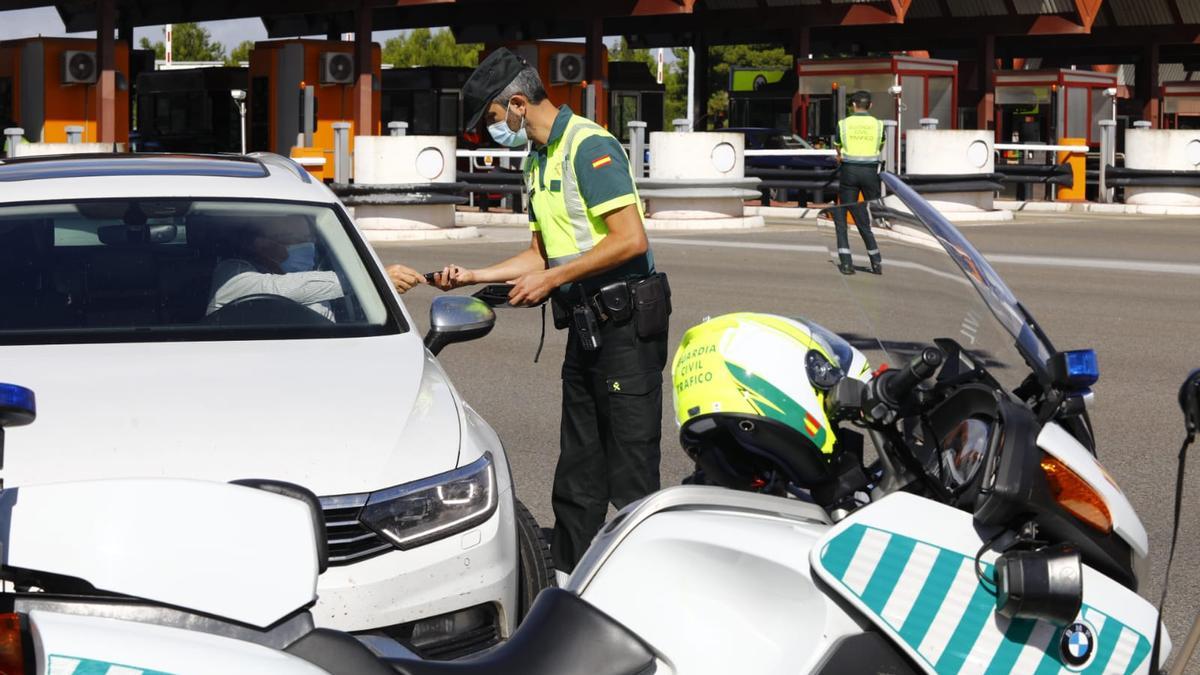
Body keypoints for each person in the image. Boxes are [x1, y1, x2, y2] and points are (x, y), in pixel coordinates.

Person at [433, 48, 670, 577]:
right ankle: (568, 581)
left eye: (494, 119)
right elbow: (543, 252)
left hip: (626, 325)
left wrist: (553, 279)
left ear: (518, 103)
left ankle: (646, 581)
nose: (495, 131)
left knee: (630, 470)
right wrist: (477, 275)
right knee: (578, 468)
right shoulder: (538, 161)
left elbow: (630, 239)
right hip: (585, 323)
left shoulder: (589, 146)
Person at [206, 219, 425, 319]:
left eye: (308, 239)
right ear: (260, 244)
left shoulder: (319, 286)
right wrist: (367, 280)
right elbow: (279, 288)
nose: (305, 247)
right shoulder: (232, 273)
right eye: (291, 239)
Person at [832, 90, 885, 276]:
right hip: (870, 173)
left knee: (842, 216)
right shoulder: (879, 125)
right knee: (865, 217)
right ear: (870, 106)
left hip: (849, 172)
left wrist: (840, 156)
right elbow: (880, 145)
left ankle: (846, 264)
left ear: (853, 105)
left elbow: (837, 145)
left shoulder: (843, 124)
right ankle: (876, 260)